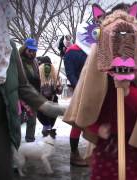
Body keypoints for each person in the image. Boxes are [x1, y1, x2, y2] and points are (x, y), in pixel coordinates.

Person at [63, 3, 137, 179]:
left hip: (136, 143)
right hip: (108, 146)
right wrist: (96, 127)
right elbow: (88, 104)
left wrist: (126, 90)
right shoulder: (96, 63)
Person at [0, 1, 65, 179]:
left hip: (4, 129)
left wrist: (47, 106)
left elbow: (23, 85)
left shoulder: (7, 47)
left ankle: (27, 145)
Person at [62, 34, 89, 166]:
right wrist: (79, 88)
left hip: (93, 90)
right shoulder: (73, 51)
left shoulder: (93, 48)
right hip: (82, 91)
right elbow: (71, 73)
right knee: (78, 122)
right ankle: (74, 154)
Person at [19, 38, 40, 142]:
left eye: (34, 51)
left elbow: (37, 78)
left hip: (32, 96)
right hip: (20, 96)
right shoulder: (18, 61)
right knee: (18, 120)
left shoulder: (35, 62)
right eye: (30, 50)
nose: (32, 53)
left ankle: (30, 140)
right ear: (24, 49)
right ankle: (14, 143)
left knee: (32, 121)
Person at [37, 56, 62, 135]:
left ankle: (49, 128)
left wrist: (57, 88)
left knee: (52, 116)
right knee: (43, 115)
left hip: (52, 99)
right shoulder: (38, 73)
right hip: (42, 100)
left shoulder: (55, 74)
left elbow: (59, 89)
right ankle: (47, 127)